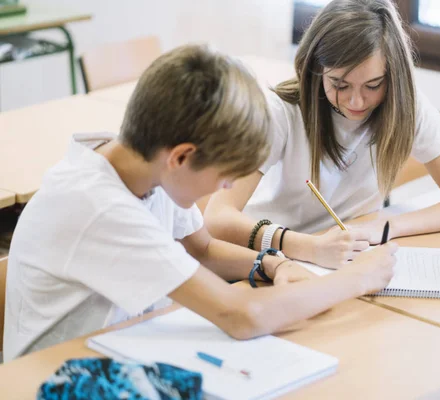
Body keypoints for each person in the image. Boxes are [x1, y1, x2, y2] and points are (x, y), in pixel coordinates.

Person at [3, 45, 397, 362]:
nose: (226, 185)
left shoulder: (144, 164)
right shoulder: (100, 206)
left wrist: (276, 264)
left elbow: (202, 248)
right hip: (61, 377)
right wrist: (357, 278)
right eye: (224, 174)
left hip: (126, 349)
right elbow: (241, 317)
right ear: (181, 157)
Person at [204, 0, 440, 269]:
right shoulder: (281, 113)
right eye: (340, 84)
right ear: (316, 69)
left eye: (373, 85)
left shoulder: (405, 107)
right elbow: (217, 217)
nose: (356, 102)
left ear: (393, 76)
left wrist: (387, 226)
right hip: (271, 258)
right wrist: (309, 247)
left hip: (346, 258)